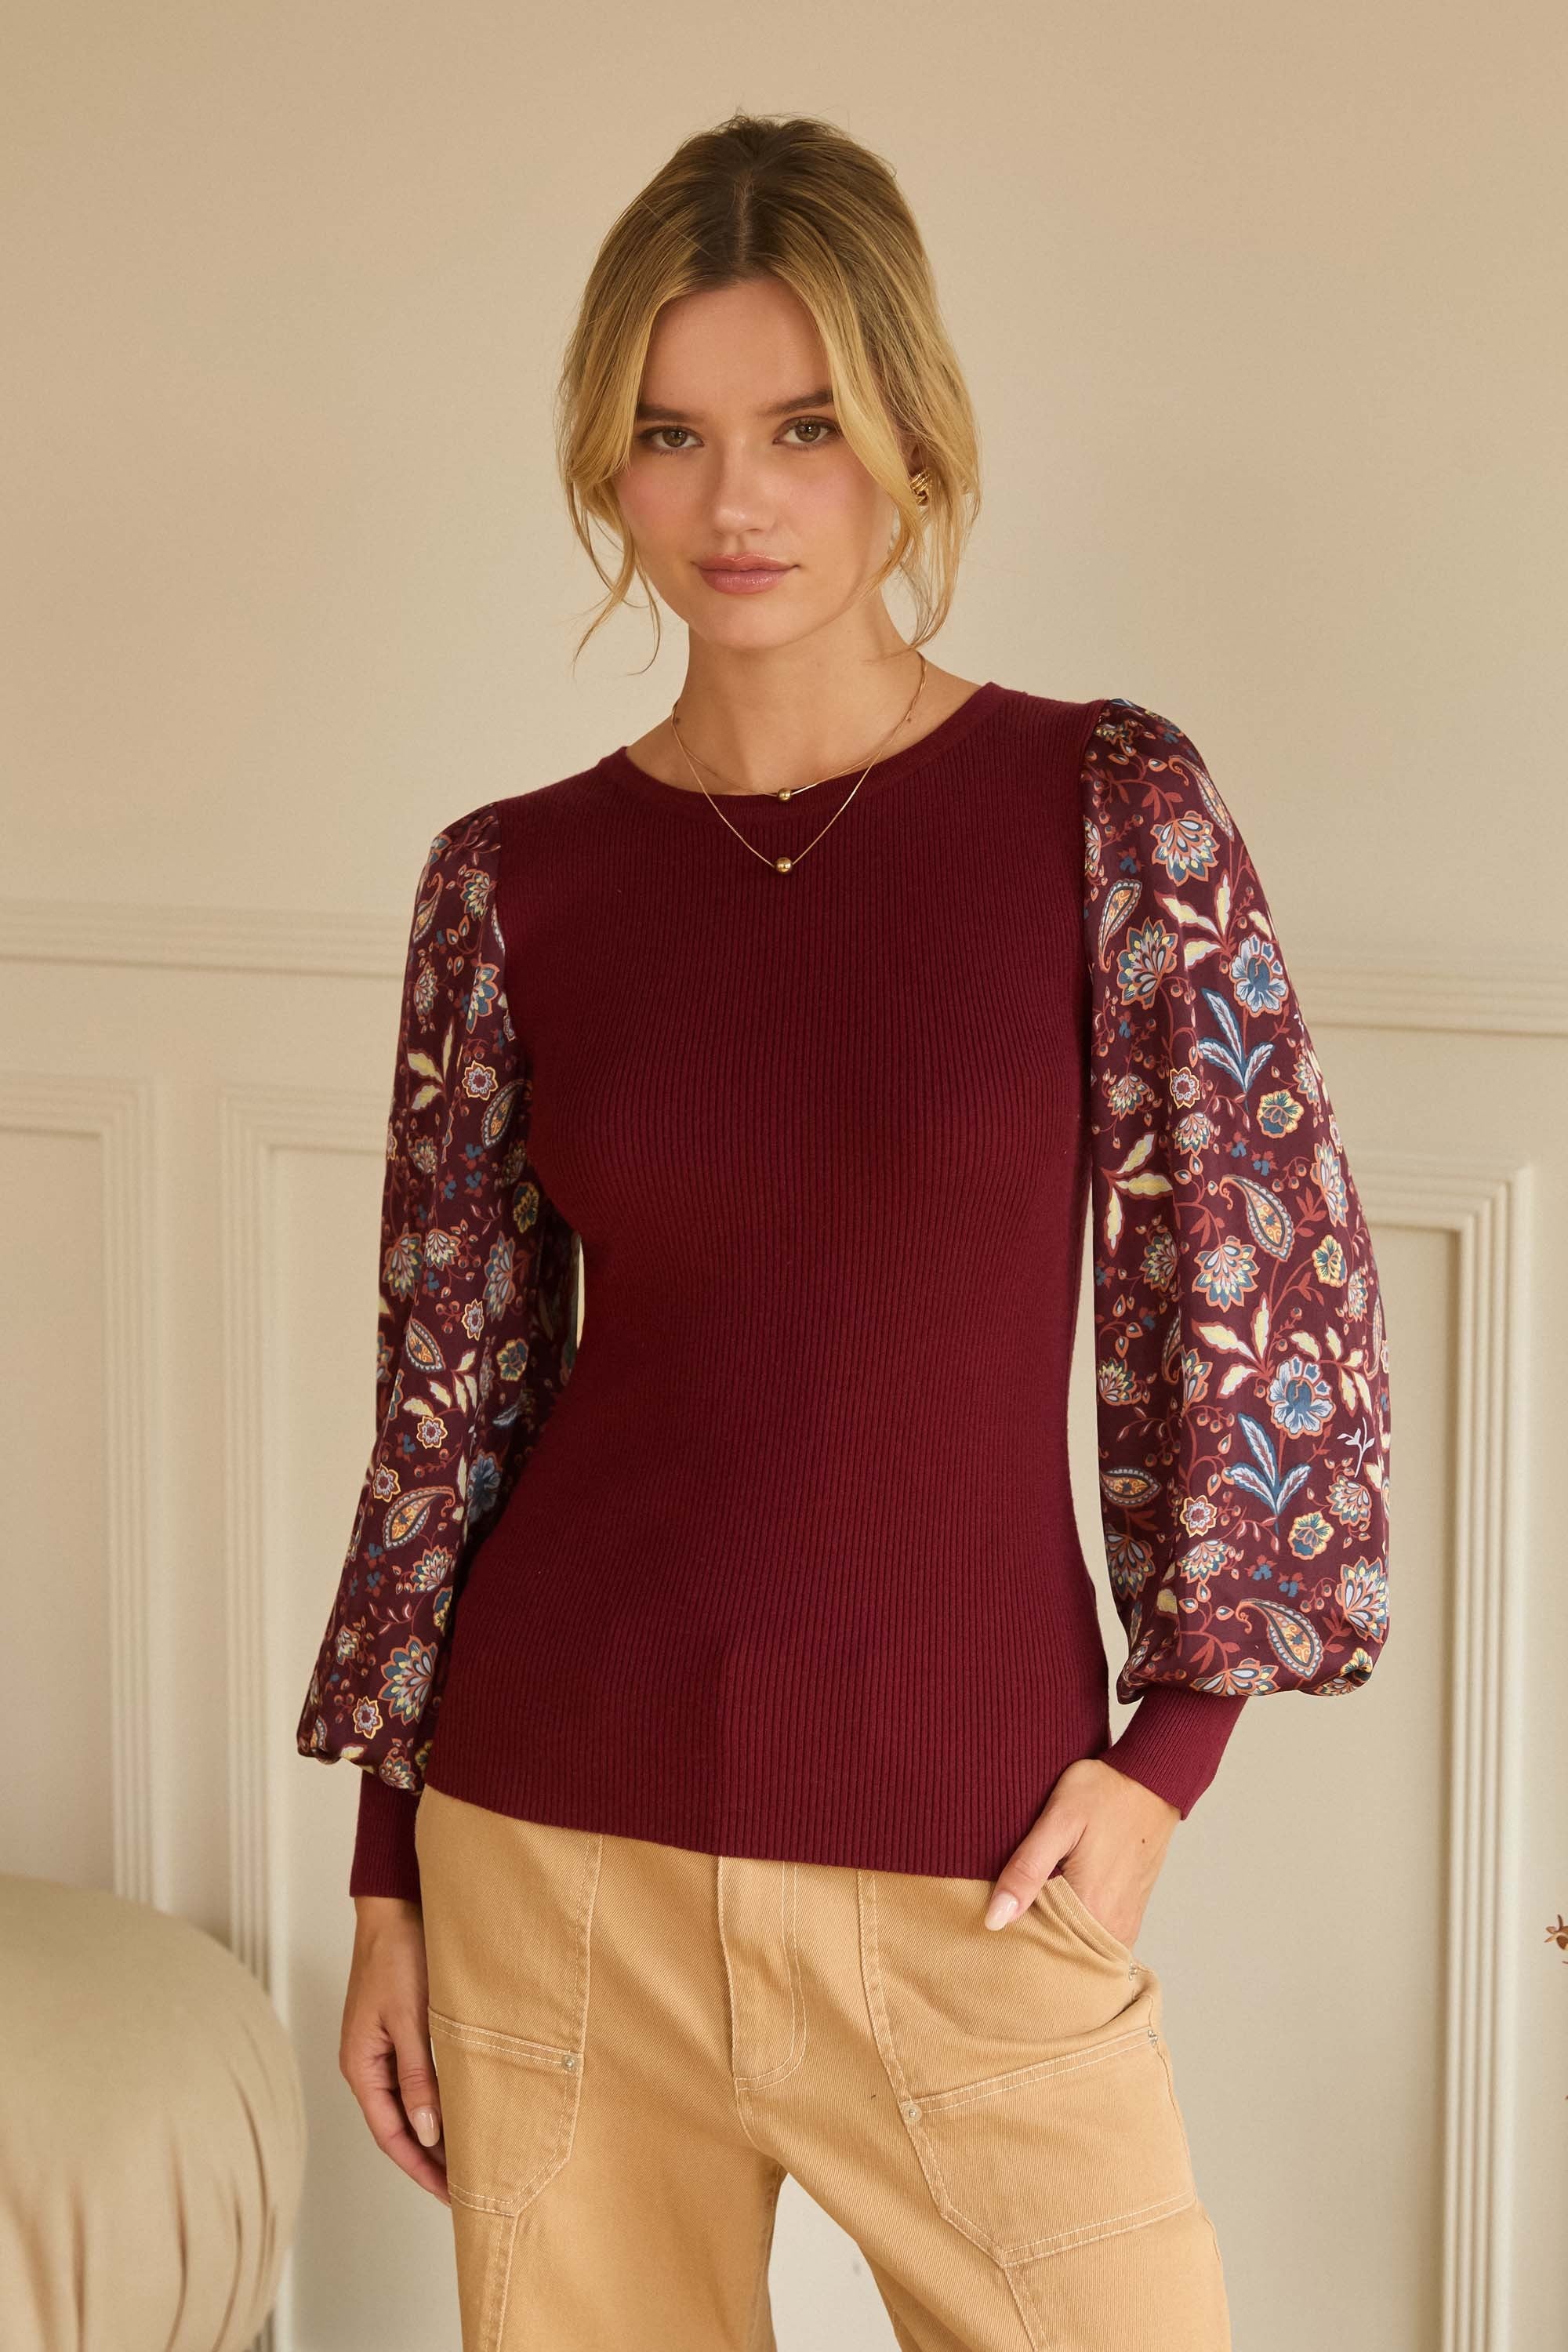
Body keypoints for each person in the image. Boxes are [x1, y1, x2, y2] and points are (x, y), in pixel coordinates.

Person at [295, 110, 1392, 2352]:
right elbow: (448, 1403)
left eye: (803, 427)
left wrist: (1167, 1765)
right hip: (553, 1854)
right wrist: (390, 1875)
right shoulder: (512, 885)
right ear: (610, 468)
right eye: (672, 435)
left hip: (972, 1865)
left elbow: (1260, 1293)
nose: (739, 500)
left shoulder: (1105, 809)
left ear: (909, 437)